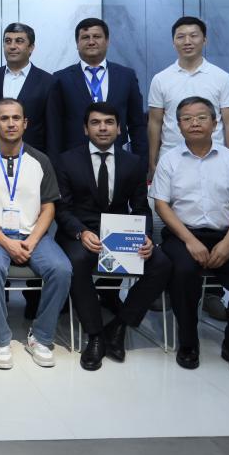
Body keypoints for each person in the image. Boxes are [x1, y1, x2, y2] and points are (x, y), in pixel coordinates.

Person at [55, 101, 171, 371]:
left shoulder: (133, 162)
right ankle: (95, 335)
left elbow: (140, 208)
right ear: (85, 129)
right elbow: (62, 209)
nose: (103, 128)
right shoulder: (67, 160)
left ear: (119, 129)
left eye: (109, 122)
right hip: (80, 233)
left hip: (119, 233)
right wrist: (81, 231)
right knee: (77, 261)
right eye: (95, 123)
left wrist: (145, 235)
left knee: (161, 264)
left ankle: (119, 326)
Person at [151, 97, 229, 377]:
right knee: (183, 272)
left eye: (201, 117)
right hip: (182, 235)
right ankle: (188, 344)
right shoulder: (169, 160)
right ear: (178, 125)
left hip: (226, 235)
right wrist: (190, 241)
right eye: (187, 119)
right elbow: (162, 205)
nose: (195, 123)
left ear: (215, 122)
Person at [0, 98, 72, 370]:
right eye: (4, 118)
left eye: (16, 118)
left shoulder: (41, 160)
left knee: (62, 269)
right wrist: (6, 242)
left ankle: (40, 337)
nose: (11, 123)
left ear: (25, 123)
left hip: (33, 235)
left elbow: (49, 207)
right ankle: (1, 340)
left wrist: (31, 240)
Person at [147, 16, 229, 179]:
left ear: (204, 40)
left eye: (194, 35)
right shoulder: (160, 79)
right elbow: (155, 122)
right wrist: (152, 161)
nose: (187, 41)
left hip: (214, 158)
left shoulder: (222, 77)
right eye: (181, 37)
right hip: (171, 158)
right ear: (173, 42)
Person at [48, 18, 148, 166]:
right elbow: (54, 128)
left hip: (118, 161)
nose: (91, 42)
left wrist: (141, 164)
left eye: (97, 36)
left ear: (107, 41)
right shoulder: (61, 78)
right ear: (77, 43)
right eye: (85, 37)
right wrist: (55, 166)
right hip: (74, 163)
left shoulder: (126, 76)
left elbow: (137, 124)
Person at [0, 23, 54, 152]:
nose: (12, 46)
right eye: (8, 41)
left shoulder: (48, 82)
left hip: (33, 157)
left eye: (19, 41)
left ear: (31, 47)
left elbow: (53, 129)